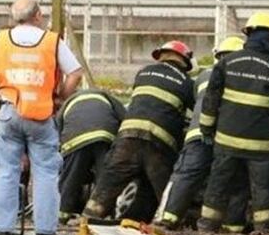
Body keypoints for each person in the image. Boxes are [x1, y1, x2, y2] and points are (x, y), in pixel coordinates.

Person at [0, 0, 83, 235]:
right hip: (42, 114)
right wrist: (60, 98)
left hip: (9, 112)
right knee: (45, 173)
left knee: (6, 170)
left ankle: (1, 229)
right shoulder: (52, 42)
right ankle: (44, 231)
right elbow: (75, 72)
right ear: (38, 16)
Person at [197, 12, 269, 233]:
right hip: (260, 147)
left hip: (226, 142)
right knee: (262, 188)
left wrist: (206, 129)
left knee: (219, 184)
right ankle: (264, 228)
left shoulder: (226, 63)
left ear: (248, 33)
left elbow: (211, 100)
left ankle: (208, 226)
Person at [82, 41, 196, 219]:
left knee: (108, 182)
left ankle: (89, 217)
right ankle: (168, 222)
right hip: (159, 143)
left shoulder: (143, 73)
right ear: (184, 62)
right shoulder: (186, 82)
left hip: (127, 138)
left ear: (161, 56)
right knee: (166, 191)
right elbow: (195, 110)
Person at [156, 36, 245, 230]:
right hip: (228, 137)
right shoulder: (243, 76)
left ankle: (168, 218)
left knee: (185, 176)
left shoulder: (204, 76)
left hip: (198, 134)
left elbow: (196, 103)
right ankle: (231, 226)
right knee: (233, 180)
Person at [56, 89, 126, 224]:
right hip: (104, 136)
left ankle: (63, 214)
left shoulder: (69, 103)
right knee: (105, 177)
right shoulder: (109, 98)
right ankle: (105, 214)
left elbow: (58, 129)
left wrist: (63, 154)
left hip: (75, 138)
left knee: (71, 177)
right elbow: (125, 119)